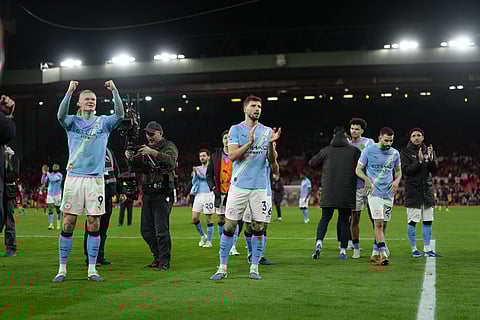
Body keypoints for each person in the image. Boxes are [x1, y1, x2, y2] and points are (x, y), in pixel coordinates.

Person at [52, 80, 124, 283]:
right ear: (79, 103)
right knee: (68, 222)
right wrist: (70, 91)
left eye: (93, 99)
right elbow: (59, 116)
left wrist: (115, 91)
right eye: (87, 100)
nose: (91, 102)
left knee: (94, 223)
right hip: (74, 178)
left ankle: (92, 269)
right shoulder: (72, 122)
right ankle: (62, 269)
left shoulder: (104, 122)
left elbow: (120, 115)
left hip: (95, 180)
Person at [210, 94, 281, 281]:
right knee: (230, 225)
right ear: (245, 109)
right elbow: (232, 156)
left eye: (259, 106)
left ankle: (254, 267)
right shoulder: (235, 130)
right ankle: (222, 267)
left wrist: (272, 145)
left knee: (258, 226)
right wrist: (249, 142)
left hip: (260, 188)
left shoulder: (267, 131)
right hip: (239, 186)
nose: (257, 109)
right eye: (253, 106)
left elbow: (272, 161)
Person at [125, 121, 178, 271]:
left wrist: (152, 152)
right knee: (146, 230)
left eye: (152, 134)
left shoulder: (169, 146)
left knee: (161, 229)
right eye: (147, 134)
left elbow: (171, 160)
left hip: (163, 192)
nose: (149, 137)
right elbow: (134, 166)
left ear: (160, 133)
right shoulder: (146, 149)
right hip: (148, 192)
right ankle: (157, 257)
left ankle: (165, 261)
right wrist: (130, 157)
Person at [309, 126, 360, 260]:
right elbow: (362, 165)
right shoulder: (354, 151)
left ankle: (319, 242)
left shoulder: (326, 150)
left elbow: (312, 163)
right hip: (346, 191)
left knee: (325, 218)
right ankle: (343, 250)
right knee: (344, 221)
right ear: (345, 136)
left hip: (328, 190)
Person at [355, 127, 402, 266]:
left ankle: (375, 250)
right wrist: (366, 179)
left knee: (384, 224)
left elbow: (399, 172)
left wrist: (396, 181)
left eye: (391, 141)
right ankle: (383, 252)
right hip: (374, 193)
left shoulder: (395, 153)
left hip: (388, 194)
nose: (388, 143)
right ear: (379, 138)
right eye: (386, 140)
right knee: (379, 223)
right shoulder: (368, 151)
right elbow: (358, 169)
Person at [401, 128, 442, 258]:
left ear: (423, 137)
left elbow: (434, 170)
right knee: (412, 221)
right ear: (410, 138)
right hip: (413, 191)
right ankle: (414, 249)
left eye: (419, 135)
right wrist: (418, 162)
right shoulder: (405, 152)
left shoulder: (429, 151)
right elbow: (406, 171)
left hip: (427, 191)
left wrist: (431, 159)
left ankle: (427, 249)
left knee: (428, 221)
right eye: (414, 136)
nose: (416, 138)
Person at [83, 146, 119, 266]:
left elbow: (115, 171)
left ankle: (100, 256)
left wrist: (119, 191)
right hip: (94, 194)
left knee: (103, 228)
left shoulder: (109, 151)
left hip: (107, 194)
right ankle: (90, 257)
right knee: (93, 226)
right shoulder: (89, 150)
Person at [348, 118, 375, 258]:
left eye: (357, 129)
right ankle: (356, 248)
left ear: (362, 131)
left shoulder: (369, 143)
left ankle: (378, 246)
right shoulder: (346, 144)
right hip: (355, 187)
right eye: (352, 128)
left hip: (369, 185)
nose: (354, 131)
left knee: (374, 217)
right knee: (355, 218)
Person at [206, 130, 232, 244]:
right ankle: (223, 241)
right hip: (220, 192)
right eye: (225, 138)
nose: (227, 140)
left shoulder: (237, 154)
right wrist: (213, 188)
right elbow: (209, 174)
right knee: (221, 218)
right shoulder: (215, 156)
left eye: (229, 138)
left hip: (234, 192)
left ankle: (233, 244)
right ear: (222, 140)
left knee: (232, 220)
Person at [191, 149, 215, 248]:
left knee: (209, 219)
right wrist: (195, 175)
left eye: (204, 156)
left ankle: (209, 241)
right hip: (199, 194)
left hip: (209, 194)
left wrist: (199, 173)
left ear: (208, 157)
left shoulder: (212, 168)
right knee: (194, 218)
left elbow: (209, 178)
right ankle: (203, 235)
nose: (202, 158)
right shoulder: (197, 169)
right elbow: (193, 182)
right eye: (200, 156)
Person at [0, 95, 16, 232]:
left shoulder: (12, 156)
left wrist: (6, 115)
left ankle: (11, 247)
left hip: (8, 190)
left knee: (7, 218)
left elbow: (8, 133)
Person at [3, 145, 19, 256]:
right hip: (4, 191)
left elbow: (14, 175)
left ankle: (11, 248)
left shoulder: (13, 158)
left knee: (9, 221)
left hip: (8, 193)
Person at [41, 164, 63, 230]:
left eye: (56, 167)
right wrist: (43, 174)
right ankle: (51, 224)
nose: (54, 168)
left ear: (58, 168)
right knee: (50, 209)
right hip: (50, 194)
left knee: (58, 209)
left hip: (57, 194)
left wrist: (47, 172)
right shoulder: (50, 174)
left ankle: (58, 222)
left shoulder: (59, 175)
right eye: (54, 167)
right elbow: (43, 181)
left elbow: (52, 179)